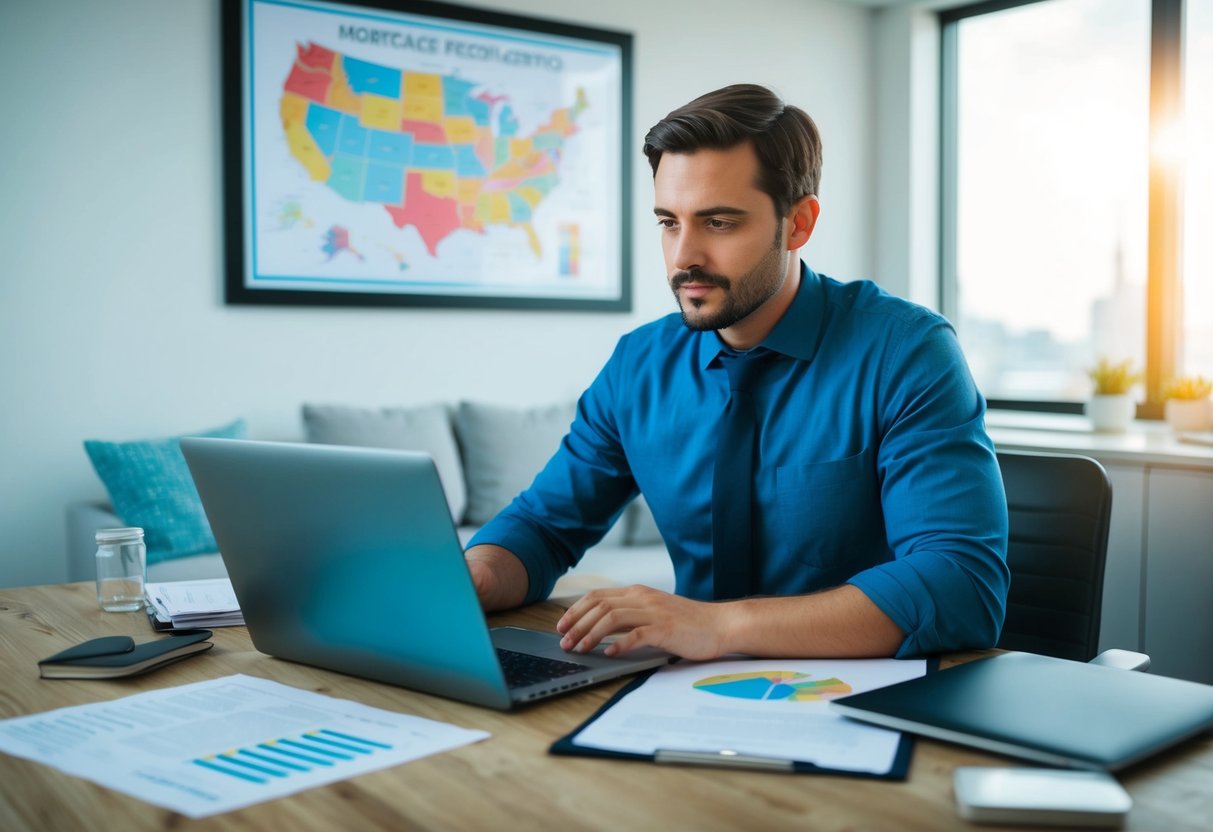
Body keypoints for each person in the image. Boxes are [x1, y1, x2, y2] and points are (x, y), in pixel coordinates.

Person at [465, 84, 1009, 662]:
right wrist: (476, 575)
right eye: (669, 223)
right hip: (678, 696)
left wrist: (718, 626)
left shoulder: (905, 352)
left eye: (718, 222)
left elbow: (961, 585)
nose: (683, 257)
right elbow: (544, 525)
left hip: (862, 698)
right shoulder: (638, 365)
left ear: (798, 224)